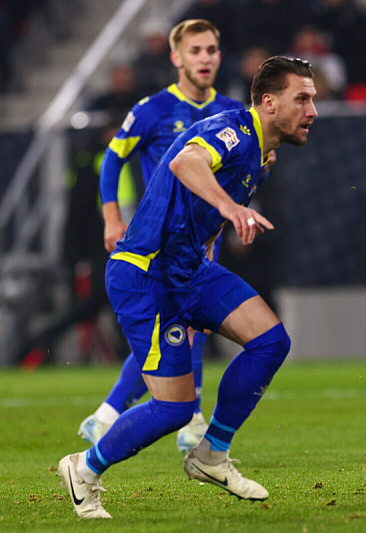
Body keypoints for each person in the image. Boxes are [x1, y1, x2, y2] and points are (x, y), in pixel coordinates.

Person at [57, 56, 317, 519]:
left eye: (312, 98)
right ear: (269, 103)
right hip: (145, 274)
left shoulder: (263, 156)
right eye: (303, 98)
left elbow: (205, 212)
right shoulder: (233, 129)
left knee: (271, 340)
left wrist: (216, 231)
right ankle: (84, 468)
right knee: (173, 410)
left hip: (190, 270)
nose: (312, 110)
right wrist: (232, 209)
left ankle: (212, 453)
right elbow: (185, 160)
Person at [78, 19, 244, 454]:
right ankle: (165, 418)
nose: (205, 58)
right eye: (196, 51)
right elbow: (112, 162)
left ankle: (120, 414)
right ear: (176, 58)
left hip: (208, 238)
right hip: (164, 242)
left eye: (211, 50)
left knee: (189, 326)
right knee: (183, 325)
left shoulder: (231, 112)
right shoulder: (152, 109)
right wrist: (111, 219)